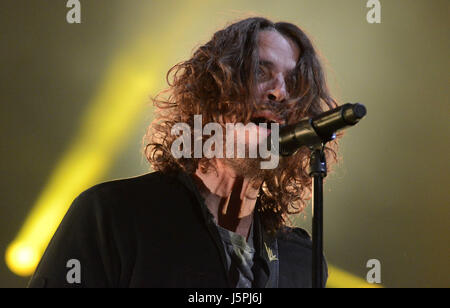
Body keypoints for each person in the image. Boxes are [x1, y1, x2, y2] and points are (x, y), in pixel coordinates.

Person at [28, 17, 338, 288]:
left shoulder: (302, 261)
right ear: (213, 91)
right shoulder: (113, 216)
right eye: (260, 70)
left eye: (294, 83)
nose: (279, 92)